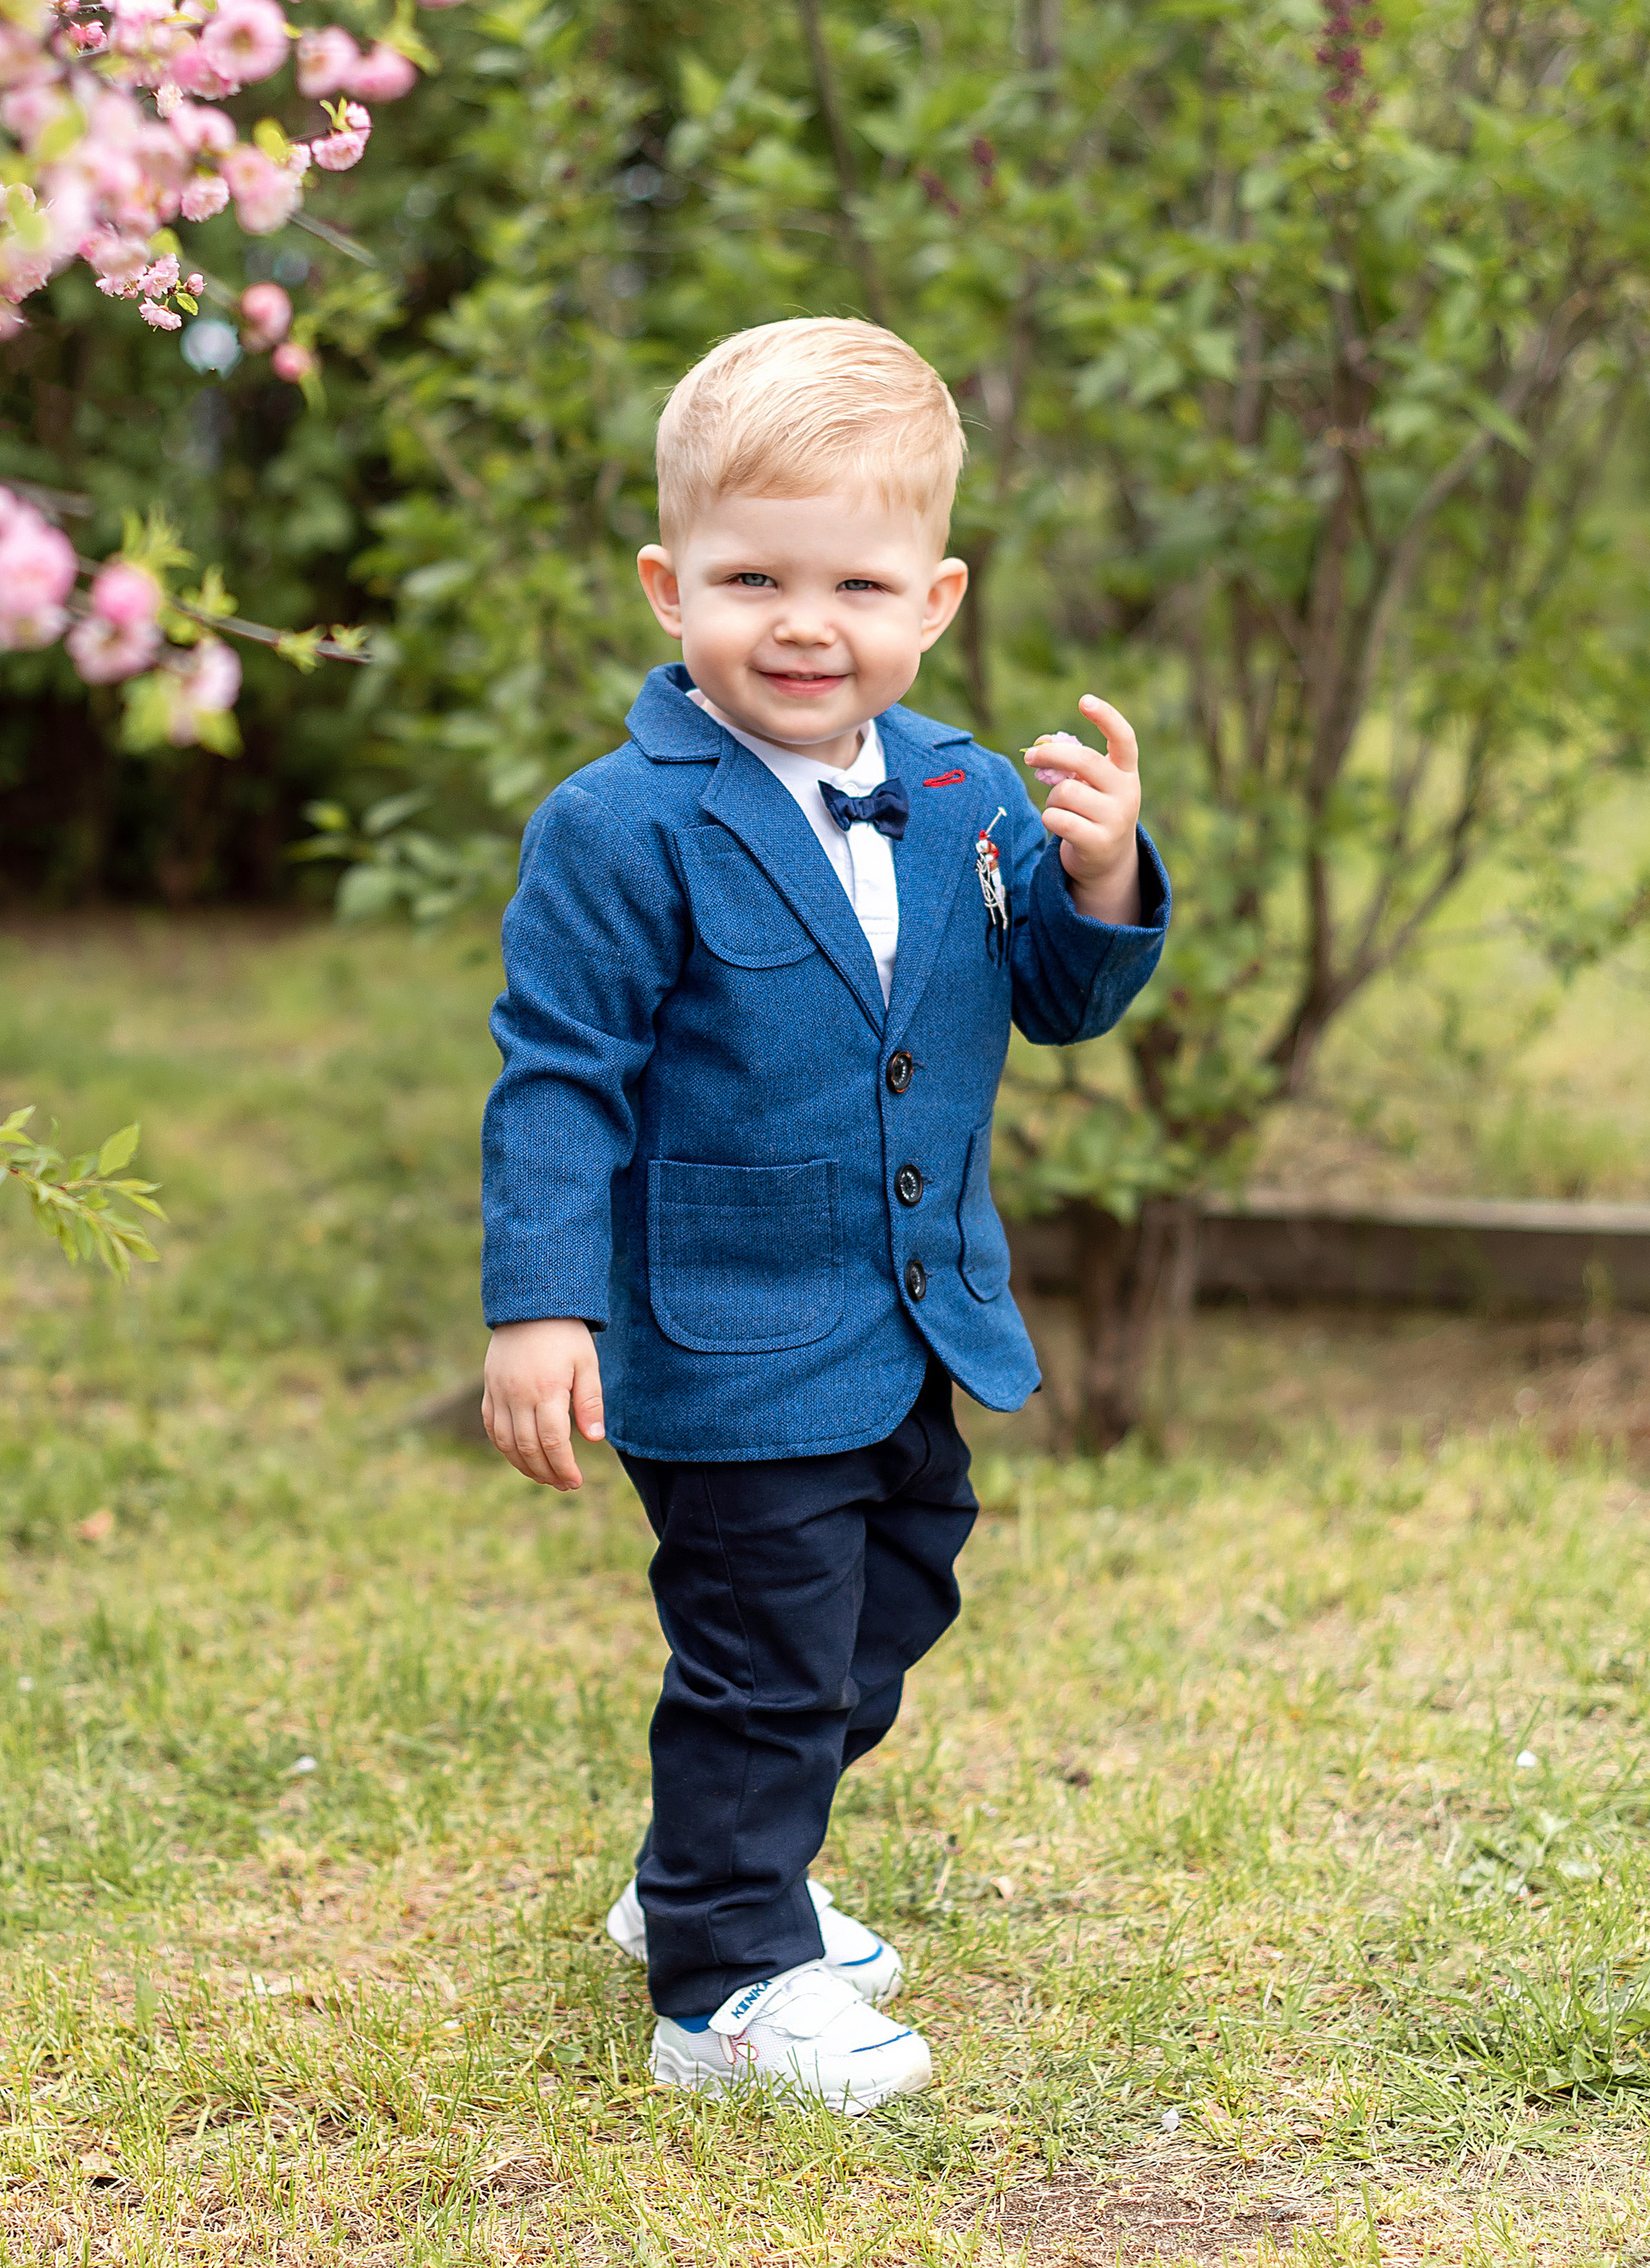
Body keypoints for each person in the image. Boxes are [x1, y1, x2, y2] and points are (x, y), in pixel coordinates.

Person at [478, 316, 1171, 2113]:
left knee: (895, 1597)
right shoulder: (619, 827)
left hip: (909, 1317)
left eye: (855, 580)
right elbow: (558, 1077)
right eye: (749, 577)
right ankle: (721, 1982)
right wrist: (541, 1305)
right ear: (665, 585)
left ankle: (712, 1853)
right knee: (769, 1652)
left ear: (931, 599)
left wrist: (1093, 874)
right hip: (718, 1330)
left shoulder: (963, 792)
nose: (803, 622)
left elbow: (1058, 1000)